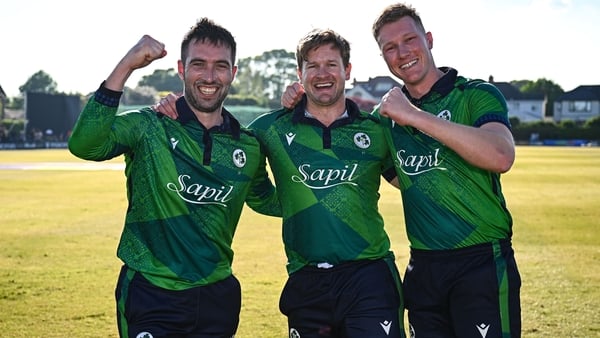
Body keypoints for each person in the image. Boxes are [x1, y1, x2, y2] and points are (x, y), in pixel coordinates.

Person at [281, 3, 521, 337]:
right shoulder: (383, 119)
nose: (402, 52)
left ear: (429, 40)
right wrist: (298, 96)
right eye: (390, 48)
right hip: (423, 268)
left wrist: (414, 116)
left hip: (481, 262)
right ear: (383, 58)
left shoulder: (474, 94)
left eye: (410, 40)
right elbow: (392, 174)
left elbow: (500, 155)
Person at [156, 28, 406, 338]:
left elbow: (409, 181)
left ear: (348, 71)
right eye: (312, 66)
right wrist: (298, 204)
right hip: (306, 278)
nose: (322, 73)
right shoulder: (268, 129)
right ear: (299, 74)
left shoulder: (376, 130)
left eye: (331, 64)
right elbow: (254, 189)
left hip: (370, 275)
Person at [68, 18, 280, 338]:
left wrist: (339, 182)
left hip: (217, 295)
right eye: (199, 64)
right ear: (181, 69)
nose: (209, 76)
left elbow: (266, 199)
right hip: (152, 292)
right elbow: (85, 145)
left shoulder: (247, 144)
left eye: (220, 66)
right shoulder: (151, 126)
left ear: (233, 73)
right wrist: (127, 65)